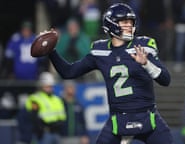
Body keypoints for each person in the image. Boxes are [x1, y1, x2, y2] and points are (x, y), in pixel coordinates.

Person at [42, 3, 173, 144]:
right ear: (112, 24)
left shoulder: (142, 46)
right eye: (124, 22)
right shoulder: (100, 51)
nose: (129, 25)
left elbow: (166, 80)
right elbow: (68, 72)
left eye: (130, 22)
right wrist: (51, 51)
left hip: (146, 115)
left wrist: (147, 64)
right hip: (118, 118)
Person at [18, 71, 66, 144]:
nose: (49, 88)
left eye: (50, 86)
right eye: (47, 86)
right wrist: (41, 128)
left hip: (57, 132)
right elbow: (33, 117)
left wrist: (58, 124)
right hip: (44, 133)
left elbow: (62, 116)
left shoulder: (57, 99)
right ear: (41, 86)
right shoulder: (35, 98)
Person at [60, 80, 90, 144]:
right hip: (63, 137)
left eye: (73, 87)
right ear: (65, 89)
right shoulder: (60, 104)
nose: (72, 89)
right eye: (70, 87)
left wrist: (85, 135)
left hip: (77, 137)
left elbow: (83, 122)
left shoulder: (78, 104)